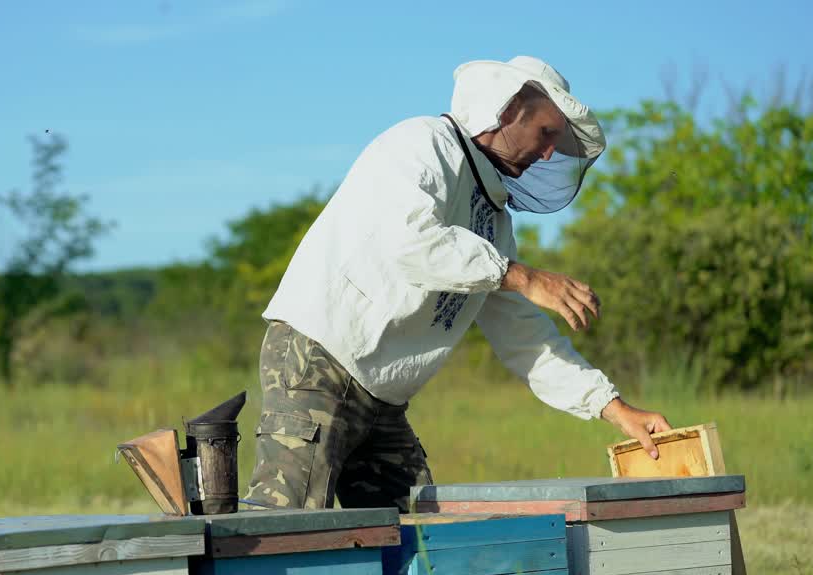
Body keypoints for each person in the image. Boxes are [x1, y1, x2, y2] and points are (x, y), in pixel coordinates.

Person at [241, 56, 671, 512]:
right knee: (286, 528)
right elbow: (407, 242)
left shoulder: (494, 223)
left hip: (383, 397)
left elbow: (526, 339)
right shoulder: (421, 144)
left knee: (418, 542)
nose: (548, 153)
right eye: (547, 134)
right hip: (318, 361)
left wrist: (615, 409)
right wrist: (520, 276)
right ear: (509, 112)